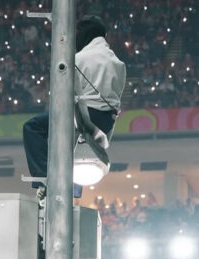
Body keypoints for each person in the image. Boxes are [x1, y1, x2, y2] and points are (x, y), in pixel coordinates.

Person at [22, 15, 126, 200]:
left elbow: (65, 95)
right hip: (106, 123)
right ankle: (75, 190)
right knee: (79, 148)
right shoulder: (119, 64)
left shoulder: (79, 59)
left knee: (33, 127)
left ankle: (42, 179)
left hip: (85, 116)